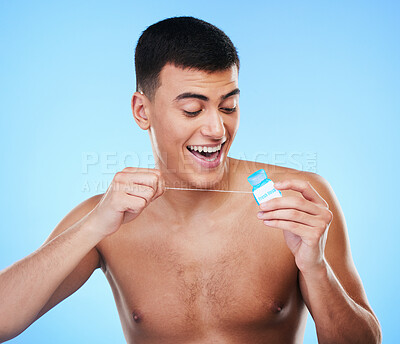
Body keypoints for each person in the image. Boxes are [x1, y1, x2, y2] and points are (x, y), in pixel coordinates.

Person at [0, 16, 381, 343]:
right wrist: (92, 228)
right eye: (192, 109)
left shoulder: (296, 200)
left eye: (229, 106)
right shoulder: (105, 221)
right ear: (141, 110)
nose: (217, 129)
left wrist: (315, 267)